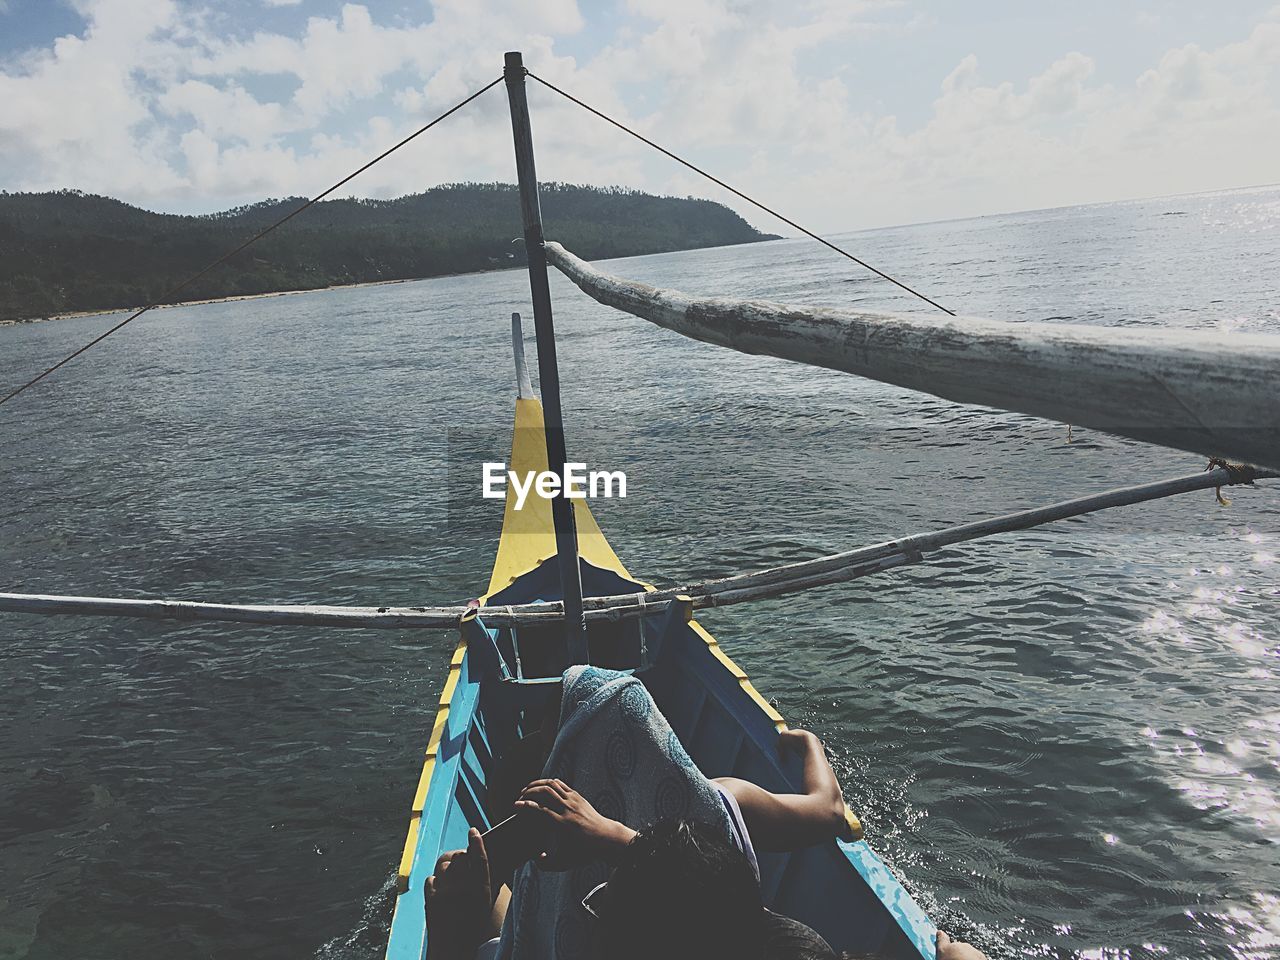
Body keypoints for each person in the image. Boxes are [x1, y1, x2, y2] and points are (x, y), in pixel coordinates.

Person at [425, 729, 990, 960]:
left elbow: (716, 907)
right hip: (723, 852)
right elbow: (721, 907)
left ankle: (494, 895)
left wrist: (449, 924)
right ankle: (826, 791)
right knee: (721, 804)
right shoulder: (748, 929)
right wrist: (613, 838)